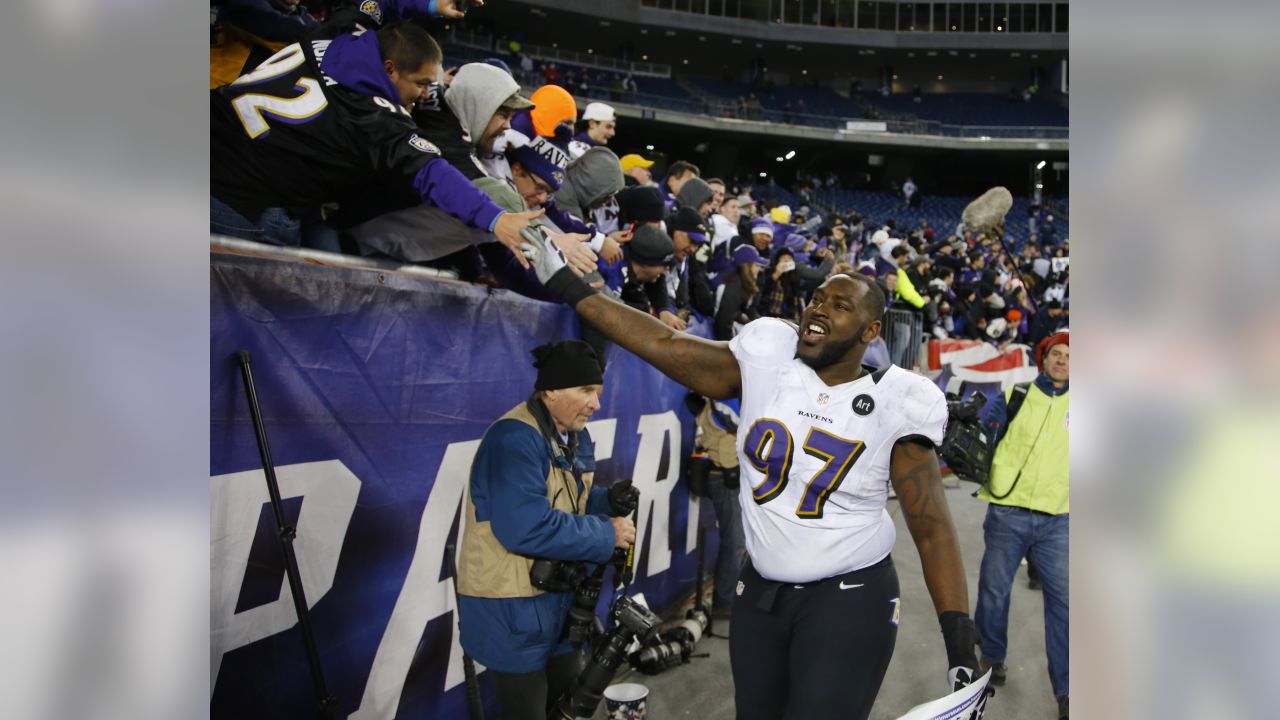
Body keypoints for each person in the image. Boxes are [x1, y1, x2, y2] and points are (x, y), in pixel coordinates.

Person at [520, 237, 985, 719]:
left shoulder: (898, 399)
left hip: (849, 597)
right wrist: (569, 286)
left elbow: (931, 528)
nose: (819, 310)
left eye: (839, 305)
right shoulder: (770, 357)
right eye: (817, 298)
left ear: (870, 331)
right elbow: (663, 342)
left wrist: (960, 643)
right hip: (759, 590)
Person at [210, 22, 544, 258]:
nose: (428, 94)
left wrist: (426, 5)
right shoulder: (378, 117)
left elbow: (371, 8)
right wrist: (496, 219)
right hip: (240, 198)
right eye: (422, 83)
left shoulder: (335, 37)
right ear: (390, 69)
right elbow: (433, 174)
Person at [456, 341, 640, 720]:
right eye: (586, 391)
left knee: (568, 706)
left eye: (599, 393)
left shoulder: (572, 432)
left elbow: (568, 501)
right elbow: (524, 527)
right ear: (551, 390)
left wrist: (606, 503)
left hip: (557, 602)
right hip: (511, 609)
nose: (596, 404)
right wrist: (607, 534)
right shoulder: (513, 439)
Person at [975, 330, 1070, 719]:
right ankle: (992, 657)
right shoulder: (1015, 396)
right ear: (1044, 359)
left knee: (1066, 606)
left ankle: (1068, 692)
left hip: (1059, 520)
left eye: (1070, 355)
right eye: (1056, 353)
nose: (1063, 360)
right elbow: (983, 428)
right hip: (1007, 510)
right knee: (994, 593)